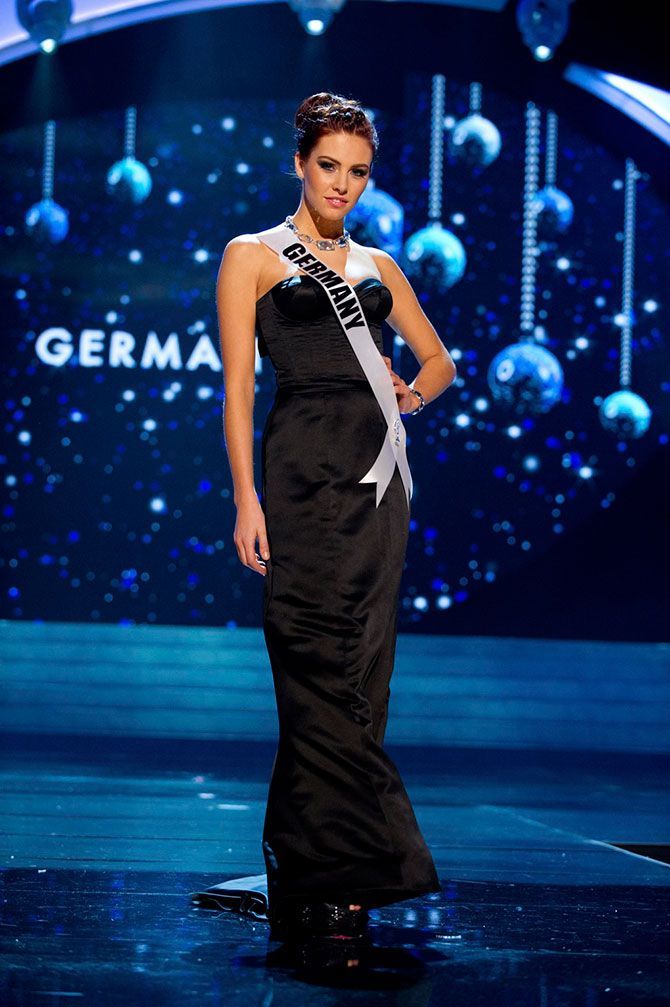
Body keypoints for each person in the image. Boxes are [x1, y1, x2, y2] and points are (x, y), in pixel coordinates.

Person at [216, 91, 457, 942]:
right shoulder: (252, 255)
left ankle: (308, 863)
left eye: (358, 171)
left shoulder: (382, 266)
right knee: (313, 670)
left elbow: (440, 361)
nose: (343, 183)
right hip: (298, 475)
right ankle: (348, 862)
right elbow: (237, 389)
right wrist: (247, 498)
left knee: (361, 675)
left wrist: (411, 392)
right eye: (329, 166)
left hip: (377, 483)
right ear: (299, 163)